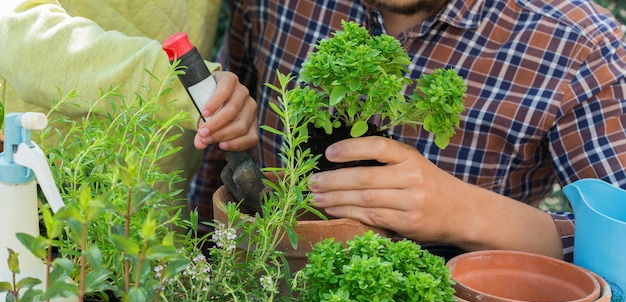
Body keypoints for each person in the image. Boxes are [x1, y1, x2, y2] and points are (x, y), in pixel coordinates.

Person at [191, 0, 626, 262]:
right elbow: (218, 158)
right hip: (267, 288)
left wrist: (462, 211)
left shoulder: (579, 44)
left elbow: (618, 243)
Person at [0, 0, 258, 204]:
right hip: (54, 198)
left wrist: (209, 95)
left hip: (160, 204)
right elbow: (21, 38)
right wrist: (182, 87)